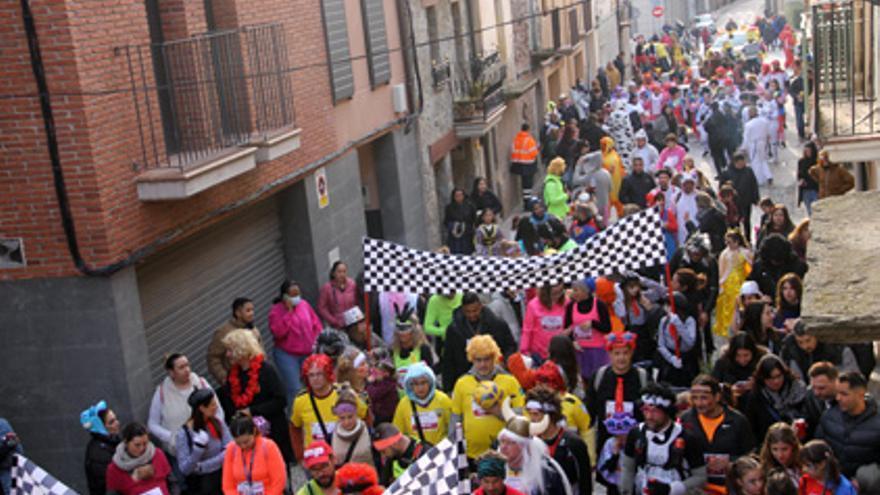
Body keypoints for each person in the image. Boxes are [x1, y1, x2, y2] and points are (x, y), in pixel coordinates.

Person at [585, 331, 650, 492]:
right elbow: (589, 414)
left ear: (631, 353)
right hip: (607, 444)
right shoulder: (599, 377)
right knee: (611, 487)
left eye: (625, 353)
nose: (621, 358)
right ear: (609, 354)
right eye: (617, 353)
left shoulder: (642, 377)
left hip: (635, 444)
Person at [216, 329, 293, 464]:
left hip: (273, 432)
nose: (227, 355)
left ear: (241, 348)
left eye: (230, 350)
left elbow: (280, 400)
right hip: (249, 438)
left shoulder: (266, 370)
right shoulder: (232, 376)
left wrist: (252, 411)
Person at [617, 382, 707, 495]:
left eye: (655, 411)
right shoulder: (636, 434)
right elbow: (627, 468)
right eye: (646, 410)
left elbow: (700, 477)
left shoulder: (686, 437)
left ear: (667, 412)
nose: (649, 416)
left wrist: (671, 489)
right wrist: (626, 490)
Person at [451, 335, 525, 461]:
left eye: (487, 359)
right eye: (478, 360)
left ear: (494, 358)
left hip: (504, 454)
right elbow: (456, 421)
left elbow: (521, 417)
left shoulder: (510, 381)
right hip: (472, 455)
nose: (483, 364)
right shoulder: (461, 383)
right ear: (472, 360)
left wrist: (498, 411)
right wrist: (454, 451)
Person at [148, 353, 221, 473]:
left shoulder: (201, 383)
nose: (187, 370)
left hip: (209, 450)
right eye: (181, 367)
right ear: (171, 373)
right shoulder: (161, 392)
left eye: (187, 365)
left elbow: (218, 411)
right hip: (180, 454)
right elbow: (152, 424)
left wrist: (216, 433)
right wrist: (173, 438)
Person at [680, 375, 755, 491]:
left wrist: (731, 463)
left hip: (730, 487)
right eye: (695, 398)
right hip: (697, 488)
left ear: (717, 397)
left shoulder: (738, 421)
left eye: (704, 398)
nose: (699, 403)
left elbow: (751, 455)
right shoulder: (685, 419)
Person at [290, 353, 368, 458]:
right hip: (316, 458)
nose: (315, 379)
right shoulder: (300, 400)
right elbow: (295, 427)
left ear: (328, 374)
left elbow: (366, 417)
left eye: (319, 374)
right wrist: (300, 456)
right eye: (311, 375)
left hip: (344, 455)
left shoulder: (344, 393)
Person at [817, 371, 880, 491]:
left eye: (844, 394)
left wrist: (863, 480)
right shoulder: (829, 416)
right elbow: (818, 446)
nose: (838, 398)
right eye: (837, 393)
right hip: (831, 482)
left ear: (861, 394)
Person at [442, 292, 516, 391]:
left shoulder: (496, 323)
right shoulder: (454, 329)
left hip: (494, 376)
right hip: (465, 378)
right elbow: (448, 360)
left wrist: (504, 360)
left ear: (481, 306)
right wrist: (448, 388)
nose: (472, 314)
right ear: (463, 309)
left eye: (475, 310)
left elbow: (510, 346)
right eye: (468, 311)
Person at [525, 386, 591, 495]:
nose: (532, 419)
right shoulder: (529, 441)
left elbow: (585, 483)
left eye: (536, 414)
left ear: (551, 415)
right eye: (530, 414)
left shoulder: (574, 443)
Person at [269, 280, 324, 407]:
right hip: (287, 355)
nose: (296, 297)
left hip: (307, 352)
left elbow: (316, 324)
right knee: (295, 388)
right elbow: (278, 333)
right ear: (285, 296)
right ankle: (295, 419)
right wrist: (288, 313)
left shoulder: (304, 304)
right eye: (292, 295)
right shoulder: (276, 311)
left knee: (314, 384)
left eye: (297, 294)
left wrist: (316, 342)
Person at [498, 415, 573, 495]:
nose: (503, 447)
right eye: (502, 441)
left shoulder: (546, 473)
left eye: (510, 442)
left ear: (524, 446)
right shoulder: (493, 468)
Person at [176, 389, 232, 495]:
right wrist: (198, 450)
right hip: (202, 486)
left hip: (223, 477)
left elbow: (230, 448)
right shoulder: (184, 434)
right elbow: (185, 469)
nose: (216, 407)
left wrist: (202, 466)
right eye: (212, 405)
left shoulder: (218, 423)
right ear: (202, 408)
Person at [740, 354, 807, 442]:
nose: (776, 381)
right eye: (770, 378)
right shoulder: (756, 398)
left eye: (779, 376)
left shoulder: (799, 391)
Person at [222, 413, 287, 495]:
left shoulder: (269, 446)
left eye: (246, 442)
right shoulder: (231, 450)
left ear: (254, 431)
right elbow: (228, 485)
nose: (243, 446)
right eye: (238, 443)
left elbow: (279, 481)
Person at [393, 361, 452, 446]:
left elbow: (453, 428)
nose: (420, 388)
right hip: (416, 454)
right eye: (416, 384)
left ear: (430, 382)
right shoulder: (404, 404)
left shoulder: (443, 400)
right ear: (410, 385)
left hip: (441, 452)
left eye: (423, 383)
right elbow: (397, 433)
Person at [565, 278, 612, 382]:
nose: (574, 293)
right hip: (579, 350)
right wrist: (572, 341)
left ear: (586, 291)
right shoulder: (571, 306)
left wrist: (592, 324)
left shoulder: (599, 304)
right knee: (583, 379)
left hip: (598, 350)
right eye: (573, 290)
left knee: (599, 379)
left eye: (577, 290)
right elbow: (567, 327)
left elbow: (607, 328)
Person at [106, 422, 172, 495]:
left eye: (145, 443)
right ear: (126, 442)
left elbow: (173, 482)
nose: (142, 448)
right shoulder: (114, 469)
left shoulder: (158, 454)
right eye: (137, 445)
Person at [207, 297, 262, 384]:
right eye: (248, 310)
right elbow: (213, 358)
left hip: (257, 377)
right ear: (238, 313)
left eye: (252, 310)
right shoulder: (223, 332)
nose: (252, 313)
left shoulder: (253, 329)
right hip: (237, 383)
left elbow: (261, 352)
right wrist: (224, 378)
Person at [712, 229, 752, 338]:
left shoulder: (745, 252)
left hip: (741, 280)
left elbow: (750, 266)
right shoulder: (725, 254)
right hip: (729, 282)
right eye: (726, 242)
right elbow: (722, 269)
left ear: (737, 241)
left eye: (730, 242)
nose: (727, 244)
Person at [748, 234, 808, 300]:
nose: (776, 263)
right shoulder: (759, 267)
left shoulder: (797, 266)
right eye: (773, 260)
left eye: (779, 261)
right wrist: (760, 297)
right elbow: (751, 284)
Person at [81, 401, 121, 495]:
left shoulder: (112, 441)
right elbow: (111, 484)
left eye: (116, 419)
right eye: (111, 422)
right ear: (101, 427)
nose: (117, 423)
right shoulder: (98, 453)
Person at [521, 284, 567, 361]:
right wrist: (524, 351)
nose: (557, 296)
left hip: (560, 353)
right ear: (546, 291)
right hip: (539, 355)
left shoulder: (566, 303)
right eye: (554, 293)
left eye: (560, 292)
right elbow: (527, 330)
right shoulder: (533, 305)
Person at [718, 152, 759, 239]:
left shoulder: (748, 171)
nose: (741, 164)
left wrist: (756, 198)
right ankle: (736, 239)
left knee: (747, 221)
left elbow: (754, 184)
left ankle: (748, 239)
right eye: (739, 163)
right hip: (733, 202)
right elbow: (721, 187)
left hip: (746, 200)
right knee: (734, 222)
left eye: (742, 162)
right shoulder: (727, 172)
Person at [389, 303, 434, 381]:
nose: (402, 333)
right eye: (399, 329)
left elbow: (430, 376)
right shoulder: (393, 350)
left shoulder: (423, 350)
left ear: (414, 331)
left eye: (405, 329)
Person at [571, 149, 612, 221]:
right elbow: (610, 189)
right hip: (605, 205)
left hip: (594, 207)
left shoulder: (591, 175)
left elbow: (575, 180)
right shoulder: (607, 173)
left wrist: (578, 166)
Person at [759, 422, 802, 490]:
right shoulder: (764, 471)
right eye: (775, 449)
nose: (780, 455)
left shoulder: (803, 464)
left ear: (793, 447)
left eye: (784, 449)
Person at [318, 261, 358, 330]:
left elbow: (357, 301)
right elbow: (322, 308)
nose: (342, 274)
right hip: (338, 326)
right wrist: (333, 321)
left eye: (344, 271)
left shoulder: (352, 284)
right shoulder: (327, 288)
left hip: (353, 323)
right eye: (339, 272)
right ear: (333, 273)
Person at [802, 362, 838, 439]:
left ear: (835, 382)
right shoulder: (810, 396)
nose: (816, 393)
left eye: (821, 388)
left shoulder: (846, 399)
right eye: (813, 387)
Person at [742, 106, 773, 185]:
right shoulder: (764, 121)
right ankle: (768, 175)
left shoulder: (749, 124)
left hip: (754, 143)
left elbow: (746, 138)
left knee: (755, 162)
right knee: (763, 160)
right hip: (763, 142)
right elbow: (768, 133)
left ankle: (759, 180)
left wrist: (744, 148)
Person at [512, 124, 540, 205]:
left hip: (518, 164)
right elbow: (533, 153)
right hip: (528, 164)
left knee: (524, 184)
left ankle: (525, 200)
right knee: (528, 184)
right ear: (528, 129)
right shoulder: (529, 140)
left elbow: (514, 150)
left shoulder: (516, 139)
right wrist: (537, 149)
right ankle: (528, 202)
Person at [600, 136, 626, 218]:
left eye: (604, 144)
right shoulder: (602, 155)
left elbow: (618, 168)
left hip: (615, 182)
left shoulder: (614, 156)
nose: (602, 146)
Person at [798, 142, 820, 215]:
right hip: (805, 190)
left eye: (809, 151)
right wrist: (801, 180)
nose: (807, 153)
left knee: (817, 210)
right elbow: (799, 175)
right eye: (806, 151)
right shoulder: (801, 161)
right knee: (809, 211)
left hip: (815, 189)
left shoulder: (817, 161)